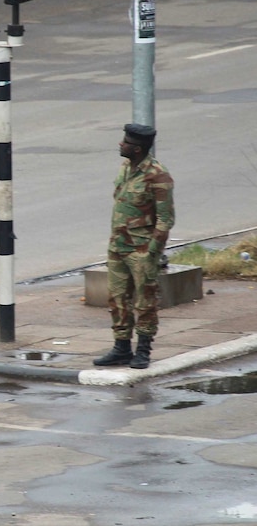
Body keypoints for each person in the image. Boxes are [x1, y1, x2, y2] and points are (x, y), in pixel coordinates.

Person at [94, 124, 174, 370]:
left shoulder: (158, 175)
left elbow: (165, 218)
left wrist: (152, 252)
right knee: (117, 298)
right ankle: (121, 348)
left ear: (137, 148)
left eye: (125, 142)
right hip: (118, 246)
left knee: (145, 301)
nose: (121, 144)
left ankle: (143, 350)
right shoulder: (126, 168)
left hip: (141, 250)